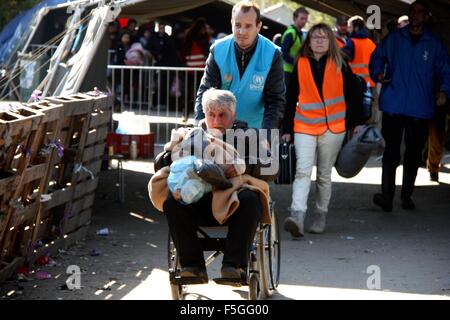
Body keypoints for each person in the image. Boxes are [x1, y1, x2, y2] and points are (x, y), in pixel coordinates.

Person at [149, 88, 276, 282]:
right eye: (211, 115)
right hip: (198, 202)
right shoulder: (191, 135)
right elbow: (160, 163)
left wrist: (245, 166)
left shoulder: (249, 135)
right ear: (205, 114)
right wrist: (174, 160)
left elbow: (272, 167)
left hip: (234, 204)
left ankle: (234, 266)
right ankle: (192, 267)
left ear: (233, 115)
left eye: (222, 115)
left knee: (251, 198)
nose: (216, 121)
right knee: (172, 202)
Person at [281, 23, 364, 237]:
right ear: (308, 42)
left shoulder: (340, 64)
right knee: (303, 171)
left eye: (324, 38)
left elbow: (354, 95)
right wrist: (287, 128)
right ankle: (297, 216)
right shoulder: (300, 64)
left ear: (330, 42)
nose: (319, 41)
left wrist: (356, 124)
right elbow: (290, 99)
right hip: (305, 126)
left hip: (333, 128)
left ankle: (320, 215)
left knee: (324, 175)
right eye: (315, 37)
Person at [369, 0, 449, 212]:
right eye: (412, 12)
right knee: (391, 152)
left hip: (420, 107)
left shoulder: (434, 43)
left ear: (426, 16)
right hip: (394, 103)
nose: (415, 15)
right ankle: (387, 196)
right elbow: (377, 57)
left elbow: (445, 70)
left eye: (420, 12)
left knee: (413, 154)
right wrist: (378, 73)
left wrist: (444, 90)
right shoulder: (395, 38)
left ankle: (406, 195)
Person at [195, 0, 285, 130]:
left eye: (248, 26)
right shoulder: (218, 49)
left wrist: (267, 134)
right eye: (238, 25)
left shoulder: (273, 53)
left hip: (257, 130)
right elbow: (205, 91)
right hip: (220, 127)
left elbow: (276, 101)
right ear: (231, 23)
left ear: (258, 26)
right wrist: (199, 124)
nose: (242, 31)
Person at [342, 16, 376, 88]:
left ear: (356, 28)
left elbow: (342, 58)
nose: (348, 30)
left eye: (350, 27)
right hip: (371, 83)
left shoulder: (352, 42)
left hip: (357, 84)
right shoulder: (371, 43)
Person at [281, 7, 309, 86]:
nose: (304, 21)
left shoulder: (301, 34)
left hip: (294, 70)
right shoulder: (291, 33)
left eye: (306, 19)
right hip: (286, 71)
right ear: (294, 18)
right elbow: (283, 53)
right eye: (302, 18)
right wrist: (297, 62)